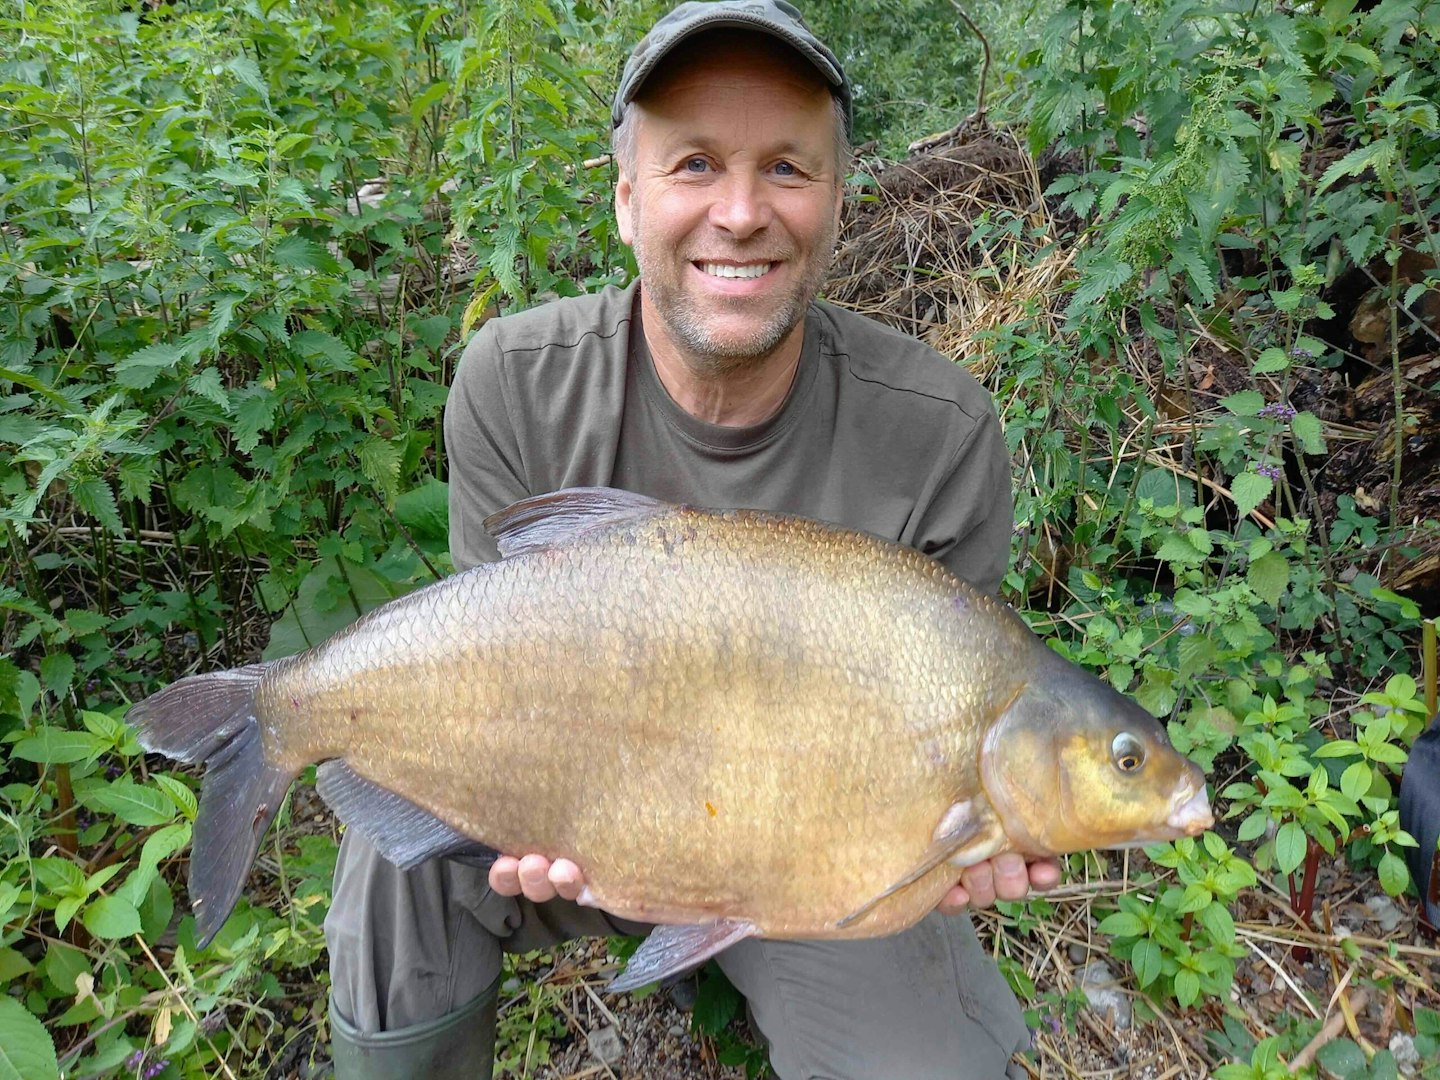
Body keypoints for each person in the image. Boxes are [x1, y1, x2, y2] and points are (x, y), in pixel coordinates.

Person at [324, 2, 1061, 1076]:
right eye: (696, 164)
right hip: (565, 813)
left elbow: (963, 731)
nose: (742, 211)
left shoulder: (939, 431)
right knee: (391, 869)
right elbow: (489, 671)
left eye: (788, 169)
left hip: (814, 859)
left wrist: (961, 840)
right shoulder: (513, 381)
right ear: (627, 200)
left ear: (838, 202)